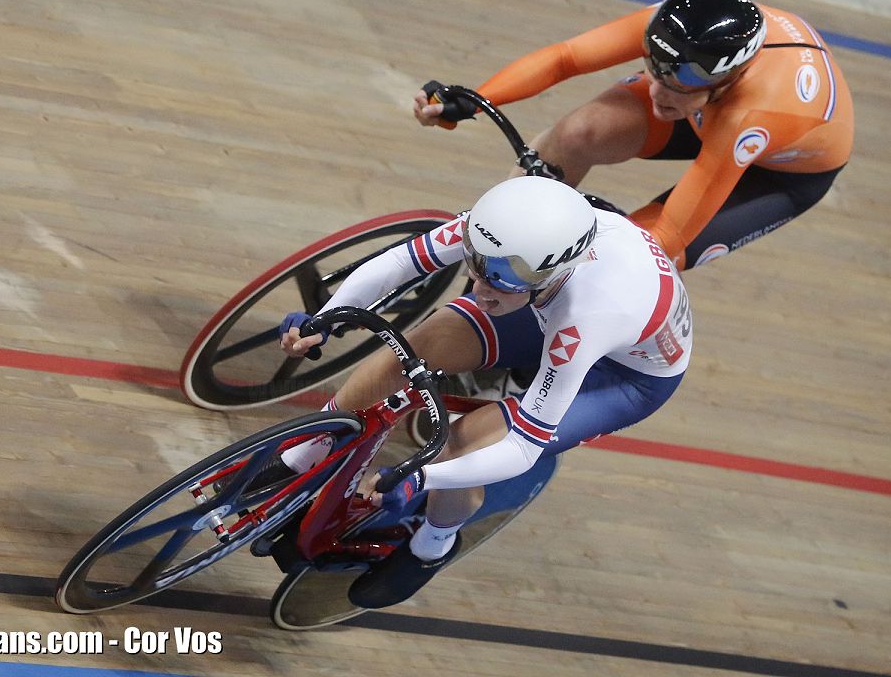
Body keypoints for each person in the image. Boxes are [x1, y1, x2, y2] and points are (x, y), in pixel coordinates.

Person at [278, 176, 693, 608]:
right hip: (543, 310)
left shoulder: (587, 315)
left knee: (460, 443)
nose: (480, 287)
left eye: (501, 277)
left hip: (624, 376)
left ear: (554, 269)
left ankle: (432, 545)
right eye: (477, 264)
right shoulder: (505, 232)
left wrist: (420, 478)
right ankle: (309, 447)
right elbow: (400, 263)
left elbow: (522, 449)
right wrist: (322, 321)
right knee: (414, 348)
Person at [414, 0, 854, 270]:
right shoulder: (677, 29)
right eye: (654, 71)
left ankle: (525, 368)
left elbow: (670, 231)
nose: (660, 94)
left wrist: (566, 261)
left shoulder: (753, 112)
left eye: (678, 85)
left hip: (781, 173)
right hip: (710, 110)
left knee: (634, 259)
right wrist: (472, 100)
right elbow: (565, 58)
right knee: (578, 133)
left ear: (728, 79)